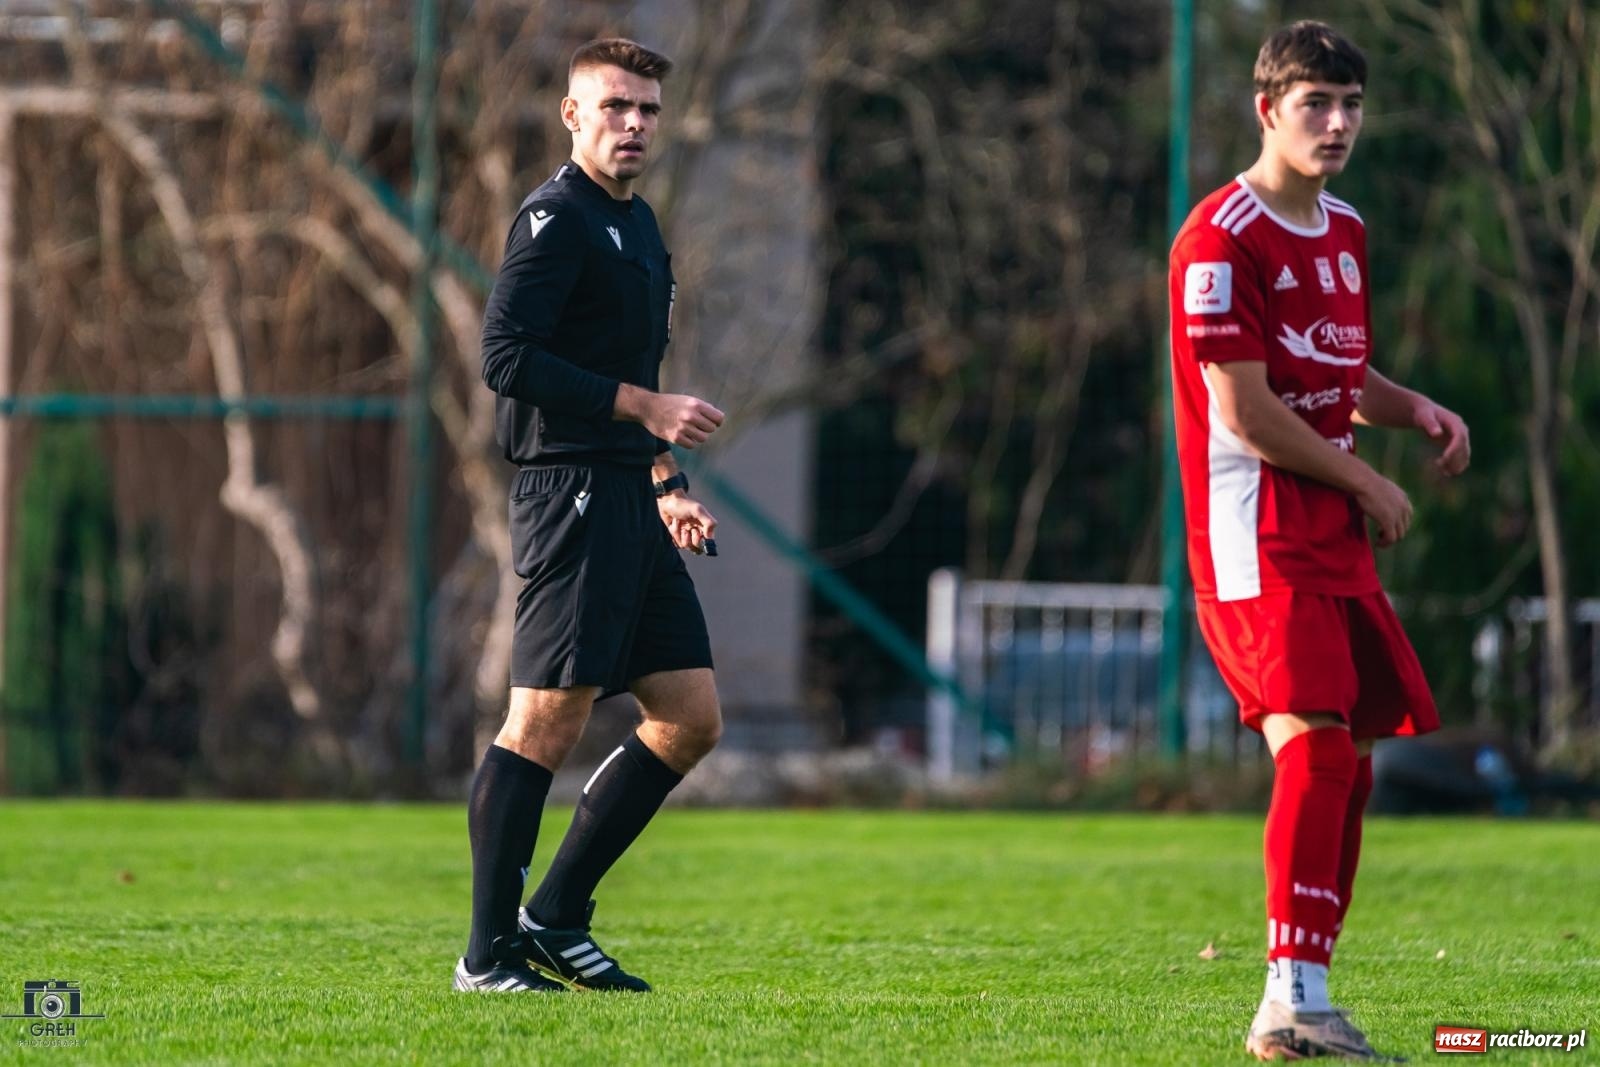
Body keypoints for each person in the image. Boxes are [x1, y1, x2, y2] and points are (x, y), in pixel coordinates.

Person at [1168, 21, 1471, 1060]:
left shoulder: (1342, 227)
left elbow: (1337, 373)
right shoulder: (1219, 239)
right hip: (1253, 534)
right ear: (1266, 109)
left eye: (1349, 103)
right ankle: (1284, 996)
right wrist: (1366, 477)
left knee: (1353, 759)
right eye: (1314, 103)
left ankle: (1307, 994)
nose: (1336, 123)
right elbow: (1246, 412)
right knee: (1312, 744)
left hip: (1330, 533)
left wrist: (1414, 407)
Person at [457, 37, 726, 994]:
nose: (635, 124)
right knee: (543, 718)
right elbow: (505, 356)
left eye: (649, 109)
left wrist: (665, 482)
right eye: (616, 106)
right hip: (564, 488)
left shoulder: (641, 226)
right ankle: (486, 954)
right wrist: (643, 411)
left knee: (690, 718)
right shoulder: (553, 218)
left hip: (630, 499)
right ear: (573, 114)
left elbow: (638, 381)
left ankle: (557, 913)